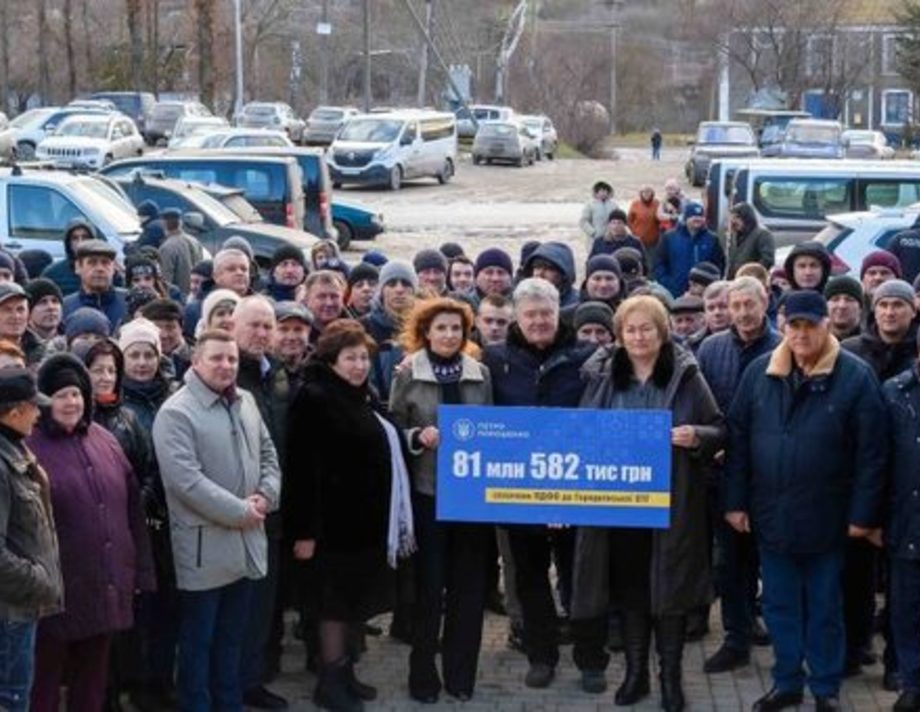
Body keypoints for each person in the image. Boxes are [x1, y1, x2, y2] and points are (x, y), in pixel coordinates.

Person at [724, 291, 887, 712]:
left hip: (829, 520)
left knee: (824, 608)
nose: (800, 334)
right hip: (771, 516)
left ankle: (826, 688)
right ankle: (787, 681)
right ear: (783, 324)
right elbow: (737, 441)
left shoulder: (855, 376)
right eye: (793, 325)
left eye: (809, 326)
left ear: (826, 325)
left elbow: (873, 454)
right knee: (779, 606)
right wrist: (735, 502)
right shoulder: (760, 372)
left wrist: (863, 516)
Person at [572, 295, 723, 709]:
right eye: (630, 330)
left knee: (669, 594)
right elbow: (581, 434)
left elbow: (718, 428)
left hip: (671, 503)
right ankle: (636, 674)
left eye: (647, 329)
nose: (638, 337)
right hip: (618, 504)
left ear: (663, 332)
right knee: (631, 591)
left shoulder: (686, 376)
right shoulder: (602, 376)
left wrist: (697, 436)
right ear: (619, 336)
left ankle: (670, 679)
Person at [286, 320, 415, 712]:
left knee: (352, 605)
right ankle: (329, 682)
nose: (359, 365)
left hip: (362, 528)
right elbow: (303, 470)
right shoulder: (315, 397)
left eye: (363, 357)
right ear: (331, 360)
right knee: (333, 609)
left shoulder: (363, 394)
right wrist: (305, 532)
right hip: (330, 530)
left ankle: (345, 674)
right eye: (350, 357)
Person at [152, 330, 281, 712]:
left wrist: (267, 495)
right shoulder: (176, 412)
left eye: (232, 359)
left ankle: (229, 704)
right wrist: (242, 512)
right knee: (198, 642)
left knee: (232, 639)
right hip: (204, 550)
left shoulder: (247, 402)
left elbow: (268, 454)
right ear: (196, 361)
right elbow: (186, 482)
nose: (226, 366)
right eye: (217, 358)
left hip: (245, 544)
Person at [481, 278, 595, 689]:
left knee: (578, 578)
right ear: (517, 317)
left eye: (546, 313)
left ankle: (589, 657)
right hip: (520, 491)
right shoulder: (494, 359)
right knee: (530, 580)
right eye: (530, 314)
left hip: (574, 488)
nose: (539, 321)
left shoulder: (586, 357)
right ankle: (541, 655)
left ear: (558, 312)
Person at [28, 353, 155, 712]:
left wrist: (139, 573)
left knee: (92, 682)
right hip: (50, 596)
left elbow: (132, 512)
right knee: (44, 683)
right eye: (61, 395)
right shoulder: (28, 448)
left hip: (103, 587)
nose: (71, 402)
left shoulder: (105, 441)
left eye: (76, 394)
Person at [389, 298, 493, 703]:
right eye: (441, 328)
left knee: (468, 590)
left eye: (456, 328)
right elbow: (393, 425)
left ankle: (461, 674)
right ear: (426, 332)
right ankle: (423, 674)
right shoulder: (408, 372)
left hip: (471, 498)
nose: (449, 335)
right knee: (429, 589)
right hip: (428, 493)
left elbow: (496, 426)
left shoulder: (480, 374)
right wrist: (418, 437)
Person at [696, 277, 781, 674]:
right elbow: (703, 407)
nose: (744, 313)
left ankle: (782, 636)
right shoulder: (711, 349)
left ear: (766, 303)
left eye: (751, 304)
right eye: (737, 305)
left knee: (771, 561)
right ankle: (736, 637)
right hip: (722, 473)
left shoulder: (784, 347)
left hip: (772, 477)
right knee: (731, 562)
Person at [231, 296, 292, 709]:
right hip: (235, 513)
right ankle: (230, 685)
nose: (261, 333)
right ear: (234, 328)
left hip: (273, 513)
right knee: (236, 610)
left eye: (268, 326)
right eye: (253, 325)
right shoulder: (228, 375)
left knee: (261, 610)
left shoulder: (279, 376)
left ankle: (250, 680)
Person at [0, 368, 62, 712]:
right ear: (13, 412)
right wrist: (37, 579)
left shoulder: (14, 450)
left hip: (19, 606)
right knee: (11, 699)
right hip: (10, 609)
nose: (39, 414)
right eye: (33, 407)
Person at [881, 344, 920, 712]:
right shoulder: (894, 391)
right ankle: (912, 680)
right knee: (904, 608)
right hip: (905, 518)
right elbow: (877, 458)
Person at [361, 261, 418, 403]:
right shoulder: (363, 327)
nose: (399, 289)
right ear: (382, 290)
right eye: (391, 284)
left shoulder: (426, 327)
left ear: (414, 290)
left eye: (405, 284)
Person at [654, 203, 725, 299]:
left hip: (703, 294)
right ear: (686, 218)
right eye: (694, 216)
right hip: (674, 293)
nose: (698, 219)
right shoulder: (669, 237)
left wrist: (711, 284)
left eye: (700, 217)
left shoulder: (712, 239)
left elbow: (719, 264)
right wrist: (668, 283)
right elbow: (659, 263)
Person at [184, 249, 252, 339]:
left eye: (244, 269)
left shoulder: (259, 305)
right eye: (231, 269)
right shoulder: (195, 310)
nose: (239, 273)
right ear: (216, 276)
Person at [61, 240, 129, 329]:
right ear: (78, 267)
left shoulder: (128, 302)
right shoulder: (65, 307)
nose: (100, 269)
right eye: (92, 263)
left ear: (114, 268)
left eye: (105, 263)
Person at [40, 220, 96, 297]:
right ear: (68, 242)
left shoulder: (104, 271)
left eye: (85, 237)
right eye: (75, 238)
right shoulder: (52, 273)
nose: (80, 242)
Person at [142, 298, 192, 380]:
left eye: (170, 327)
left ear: (181, 328)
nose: (163, 335)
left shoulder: (197, 360)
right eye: (156, 328)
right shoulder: (137, 361)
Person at [158, 209, 203, 298]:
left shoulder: (167, 247)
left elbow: (165, 281)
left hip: (179, 299)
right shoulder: (194, 241)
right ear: (180, 223)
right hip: (196, 295)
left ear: (163, 224)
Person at [521, 242, 579, 308]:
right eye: (537, 267)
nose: (540, 274)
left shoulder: (577, 305)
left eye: (548, 268)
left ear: (563, 274)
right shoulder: (523, 301)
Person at [0, 283, 44, 368]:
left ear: (28, 313)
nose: (16, 316)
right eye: (7, 310)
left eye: (20, 309)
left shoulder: (44, 352)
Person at [726, 203, 775, 278]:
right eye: (733, 217)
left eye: (737, 217)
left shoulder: (763, 234)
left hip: (752, 281)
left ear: (747, 217)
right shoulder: (736, 235)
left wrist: (752, 275)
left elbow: (767, 260)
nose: (734, 221)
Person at [273, 301, 313, 386]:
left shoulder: (321, 369)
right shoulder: (261, 370)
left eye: (298, 329)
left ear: (309, 332)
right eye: (283, 329)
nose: (291, 337)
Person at [304, 270, 349, 341]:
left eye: (334, 296)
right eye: (321, 296)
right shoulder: (297, 335)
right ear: (307, 299)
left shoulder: (354, 334)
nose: (329, 303)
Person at [628, 185, 661, 263]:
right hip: (638, 239)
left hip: (653, 240)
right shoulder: (635, 204)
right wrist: (634, 231)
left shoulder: (657, 204)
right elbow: (629, 220)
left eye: (649, 192)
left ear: (652, 194)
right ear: (641, 193)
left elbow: (661, 219)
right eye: (644, 192)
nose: (646, 194)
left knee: (652, 260)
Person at [824, 277, 864, 341]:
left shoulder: (873, 344)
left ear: (860, 308)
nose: (842, 306)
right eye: (835, 299)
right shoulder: (814, 342)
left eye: (849, 300)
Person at [579, 181, 617, 248]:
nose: (603, 193)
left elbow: (618, 219)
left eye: (605, 191)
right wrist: (593, 232)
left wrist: (615, 231)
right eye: (601, 191)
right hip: (595, 239)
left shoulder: (614, 205)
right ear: (596, 192)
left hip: (611, 237)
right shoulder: (590, 205)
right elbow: (583, 221)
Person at [24, 279, 63, 344]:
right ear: (28, 312)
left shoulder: (71, 339)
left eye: (55, 301)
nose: (51, 307)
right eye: (42, 302)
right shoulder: (21, 344)